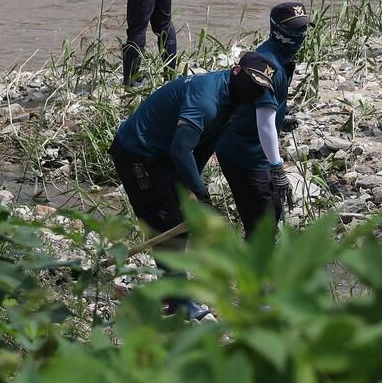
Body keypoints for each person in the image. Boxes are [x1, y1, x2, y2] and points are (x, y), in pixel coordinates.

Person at [109, 51, 277, 317]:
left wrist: (189, 187)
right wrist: (202, 194)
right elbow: (181, 150)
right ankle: (178, 302)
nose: (256, 92)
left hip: (164, 153)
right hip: (138, 153)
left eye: (261, 88)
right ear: (236, 71)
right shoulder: (207, 99)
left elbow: (205, 145)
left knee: (176, 220)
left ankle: (171, 292)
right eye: (252, 83)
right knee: (166, 221)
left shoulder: (234, 99)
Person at [214, 3, 310, 239]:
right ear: (277, 31)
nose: (300, 36)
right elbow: (264, 123)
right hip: (244, 153)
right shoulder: (267, 66)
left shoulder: (281, 57)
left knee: (272, 209)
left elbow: (261, 110)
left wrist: (281, 119)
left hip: (256, 147)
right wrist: (277, 167)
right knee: (261, 224)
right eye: (295, 30)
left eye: (304, 29)